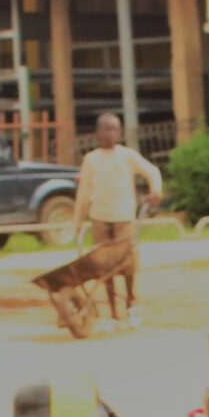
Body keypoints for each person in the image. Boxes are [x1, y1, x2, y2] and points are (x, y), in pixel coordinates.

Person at [76, 112, 165, 326]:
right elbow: (84, 192)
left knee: (127, 264)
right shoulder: (91, 160)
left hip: (124, 217)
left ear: (120, 132)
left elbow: (151, 171)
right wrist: (77, 220)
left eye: (115, 129)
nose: (110, 133)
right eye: (106, 129)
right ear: (98, 132)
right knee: (104, 268)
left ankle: (131, 306)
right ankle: (114, 314)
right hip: (100, 218)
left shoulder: (127, 156)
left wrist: (156, 191)